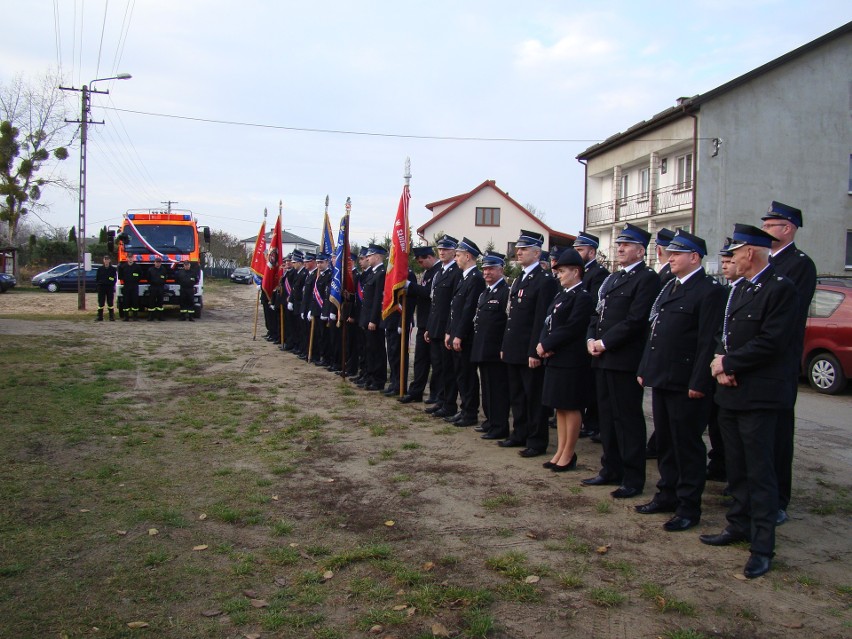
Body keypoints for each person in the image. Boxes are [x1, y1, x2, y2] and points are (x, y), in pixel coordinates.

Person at [702, 223, 797, 579]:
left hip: (759, 394)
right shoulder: (739, 290)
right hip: (730, 391)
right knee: (737, 467)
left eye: (735, 253)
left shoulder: (780, 289)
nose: (730, 259)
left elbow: (772, 341)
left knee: (760, 471)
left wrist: (729, 362)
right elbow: (724, 333)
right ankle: (737, 525)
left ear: (751, 253)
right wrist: (720, 362)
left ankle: (762, 547)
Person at [635, 231, 725, 531]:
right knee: (666, 441)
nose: (669, 258)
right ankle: (667, 494)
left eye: (676, 254)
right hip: (663, 376)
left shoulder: (709, 290)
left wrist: (700, 382)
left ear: (694, 257)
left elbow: (707, 341)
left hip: (687, 381)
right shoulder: (671, 286)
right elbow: (656, 331)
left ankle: (689, 506)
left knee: (686, 444)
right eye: (669, 253)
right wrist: (646, 367)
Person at [583, 223, 661, 498]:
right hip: (602, 358)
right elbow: (597, 314)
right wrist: (591, 339)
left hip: (624, 359)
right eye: (618, 245)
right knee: (606, 417)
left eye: (626, 245)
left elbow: (636, 320)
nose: (620, 249)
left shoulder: (647, 279)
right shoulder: (613, 279)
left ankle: (632, 477)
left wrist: (605, 342)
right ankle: (610, 468)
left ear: (641, 250)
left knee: (627, 419)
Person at [760, 201, 816, 526]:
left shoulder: (799, 265)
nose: (765, 229)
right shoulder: (765, 262)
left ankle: (779, 498)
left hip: (779, 360)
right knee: (759, 434)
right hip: (758, 358)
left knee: (779, 433)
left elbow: (788, 315)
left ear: (788, 228)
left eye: (771, 225)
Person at [498, 230, 558, 458]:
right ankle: (519, 433)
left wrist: (535, 350)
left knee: (533, 397)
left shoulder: (544, 281)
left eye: (524, 249)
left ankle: (536, 440)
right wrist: (505, 344)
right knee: (517, 395)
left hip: (530, 350)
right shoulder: (520, 279)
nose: (518, 252)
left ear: (536, 252)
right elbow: (512, 316)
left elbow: (541, 319)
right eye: (518, 249)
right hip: (514, 347)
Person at [536, 248, 594, 472]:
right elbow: (548, 321)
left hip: (571, 360)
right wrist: (543, 344)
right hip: (555, 358)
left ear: (576, 271)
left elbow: (572, 328)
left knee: (570, 406)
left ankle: (569, 453)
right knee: (559, 407)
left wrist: (548, 344)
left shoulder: (583, 297)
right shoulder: (562, 295)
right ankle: (560, 450)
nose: (558, 275)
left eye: (562, 271)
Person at [571, 232, 610, 442]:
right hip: (582, 337)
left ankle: (593, 423)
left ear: (592, 252)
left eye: (580, 250)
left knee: (593, 384)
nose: (577, 253)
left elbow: (593, 306)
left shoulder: (598, 273)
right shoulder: (581, 272)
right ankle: (588, 421)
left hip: (589, 334)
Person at [444, 238, 486, 426]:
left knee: (467, 375)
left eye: (459, 255)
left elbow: (469, 310)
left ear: (468, 256)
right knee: (460, 374)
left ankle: (470, 413)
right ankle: (464, 410)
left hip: (466, 337)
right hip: (456, 334)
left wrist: (459, 335)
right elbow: (454, 308)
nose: (456, 258)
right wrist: (449, 332)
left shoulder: (476, 278)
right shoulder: (465, 277)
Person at [471, 251, 510, 440]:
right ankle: (489, 421)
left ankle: (499, 425)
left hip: (495, 349)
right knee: (486, 388)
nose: (486, 272)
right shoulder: (486, 292)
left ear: (500, 270)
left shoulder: (505, 292)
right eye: (484, 269)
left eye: (491, 269)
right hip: (483, 347)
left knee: (497, 390)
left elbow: (507, 322)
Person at [424, 236, 462, 419]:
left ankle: (449, 403)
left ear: (454, 251)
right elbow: (434, 304)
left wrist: (449, 330)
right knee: (438, 368)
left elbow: (453, 305)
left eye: (446, 249)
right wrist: (428, 327)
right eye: (440, 249)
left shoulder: (456, 272)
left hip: (446, 328)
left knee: (448, 370)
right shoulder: (439, 272)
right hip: (435, 327)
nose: (442, 252)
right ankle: (441, 400)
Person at [399, 246, 442, 404]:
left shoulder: (438, 271)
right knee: (420, 360)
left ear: (430, 257)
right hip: (423, 321)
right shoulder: (428, 272)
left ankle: (435, 394)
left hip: (432, 322)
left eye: (421, 260)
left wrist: (411, 286)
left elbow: (429, 293)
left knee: (435, 362)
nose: (420, 264)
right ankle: (416, 391)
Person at [359, 244, 387, 391]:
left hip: (373, 319)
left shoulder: (381, 273)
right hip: (366, 317)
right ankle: (370, 376)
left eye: (369, 256)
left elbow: (377, 299)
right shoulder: (371, 273)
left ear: (377, 256)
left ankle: (378, 379)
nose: (367, 258)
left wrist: (373, 319)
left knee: (377, 350)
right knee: (369, 349)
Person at [95, 255, 117, 322]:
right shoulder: (100, 269)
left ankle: (111, 317)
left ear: (109, 260)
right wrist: (99, 284)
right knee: (101, 303)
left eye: (107, 259)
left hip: (109, 288)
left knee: (110, 303)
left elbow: (114, 278)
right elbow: (97, 278)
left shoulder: (113, 269)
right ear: (103, 260)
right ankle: (100, 316)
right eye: (105, 259)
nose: (106, 261)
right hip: (101, 288)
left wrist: (110, 280)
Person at [146, 257, 168, 321]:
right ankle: (151, 317)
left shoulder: (163, 269)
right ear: (154, 262)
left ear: (160, 263)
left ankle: (160, 317)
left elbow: (165, 278)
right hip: (153, 287)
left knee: (160, 302)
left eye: (159, 262)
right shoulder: (150, 269)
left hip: (161, 287)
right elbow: (148, 278)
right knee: (151, 302)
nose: (158, 263)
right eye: (157, 262)